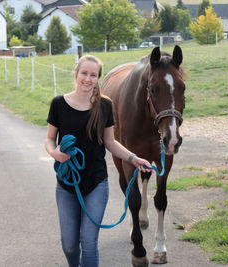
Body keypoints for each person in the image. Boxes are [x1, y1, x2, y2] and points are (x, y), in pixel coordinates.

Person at [45, 55, 152, 267]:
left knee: (89, 242)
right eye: (84, 73)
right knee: (69, 244)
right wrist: (54, 152)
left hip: (96, 182)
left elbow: (111, 142)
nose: (88, 78)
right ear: (76, 73)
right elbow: (49, 139)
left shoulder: (104, 105)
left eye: (93, 75)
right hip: (67, 183)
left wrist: (134, 158)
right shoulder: (59, 104)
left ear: (98, 78)